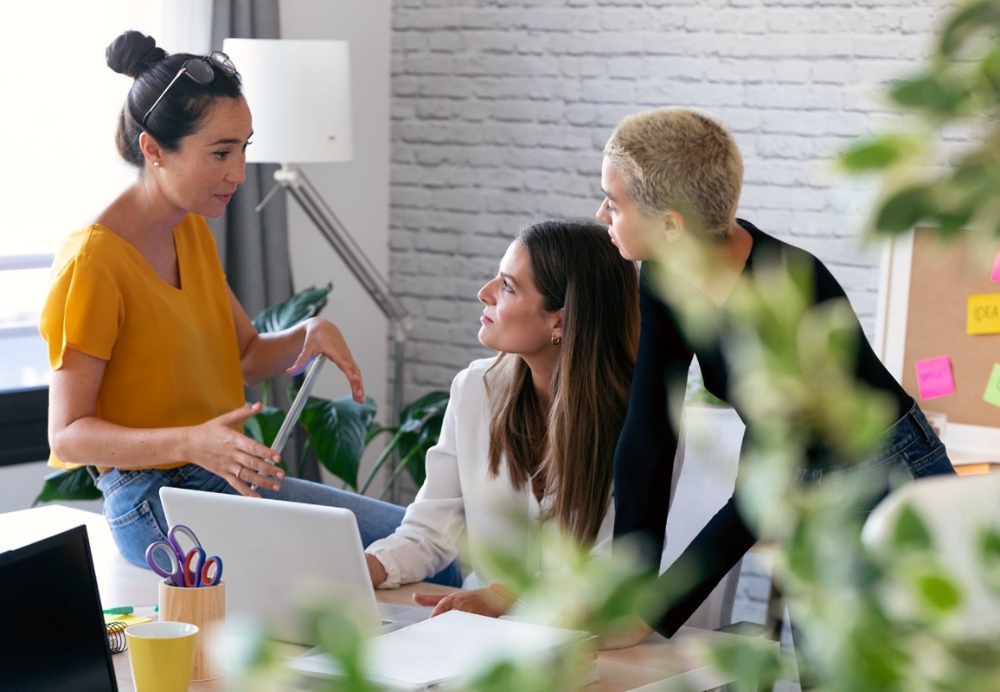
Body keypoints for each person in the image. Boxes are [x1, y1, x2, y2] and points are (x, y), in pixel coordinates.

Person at [39, 30, 458, 587]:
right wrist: (190, 441)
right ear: (154, 149)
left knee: (430, 555)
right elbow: (67, 434)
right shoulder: (93, 262)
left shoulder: (188, 229)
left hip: (224, 476)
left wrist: (311, 331)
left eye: (243, 148)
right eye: (219, 152)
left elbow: (244, 355)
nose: (238, 172)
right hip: (152, 500)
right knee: (380, 573)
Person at [596, 107, 957, 646]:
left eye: (613, 202)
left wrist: (654, 613)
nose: (601, 214)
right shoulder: (665, 272)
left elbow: (759, 494)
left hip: (888, 478)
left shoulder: (790, 294)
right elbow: (649, 429)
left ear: (671, 225)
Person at [363, 218, 640, 617]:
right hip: (476, 630)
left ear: (560, 320)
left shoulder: (635, 422)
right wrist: (360, 569)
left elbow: (615, 570)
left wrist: (512, 599)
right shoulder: (474, 389)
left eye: (507, 286)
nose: (484, 293)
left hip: (586, 639)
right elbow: (428, 532)